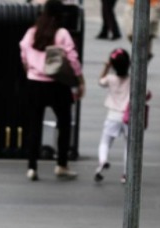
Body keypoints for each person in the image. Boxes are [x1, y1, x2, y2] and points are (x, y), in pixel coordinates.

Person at [19, 0, 85, 182]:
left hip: (34, 83)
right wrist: (79, 81)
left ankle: (32, 167)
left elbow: (23, 52)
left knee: (34, 125)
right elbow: (72, 58)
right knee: (64, 123)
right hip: (56, 83)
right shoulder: (61, 33)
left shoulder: (32, 32)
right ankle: (61, 164)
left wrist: (30, 70)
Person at [95, 48, 131, 183]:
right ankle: (126, 174)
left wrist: (106, 67)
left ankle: (102, 161)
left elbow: (100, 81)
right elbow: (145, 93)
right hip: (128, 116)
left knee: (105, 142)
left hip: (112, 116)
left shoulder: (110, 78)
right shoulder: (132, 80)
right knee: (128, 146)